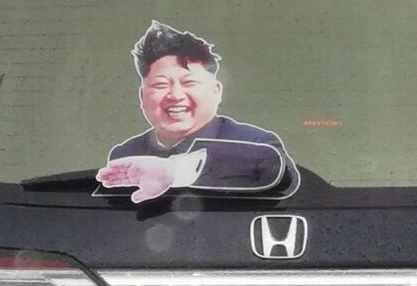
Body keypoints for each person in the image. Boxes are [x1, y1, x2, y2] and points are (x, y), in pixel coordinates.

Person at [96, 21, 300, 203]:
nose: (175, 95)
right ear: (142, 97)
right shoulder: (126, 154)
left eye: (189, 83)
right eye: (160, 85)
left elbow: (282, 179)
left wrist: (174, 171)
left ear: (216, 91)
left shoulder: (258, 143)